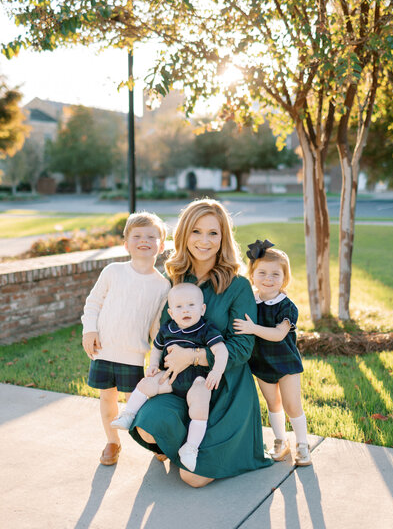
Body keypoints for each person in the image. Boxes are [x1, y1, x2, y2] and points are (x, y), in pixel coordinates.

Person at [128, 199, 273, 487]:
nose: (204, 241)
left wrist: (193, 356)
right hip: (178, 383)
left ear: (223, 238)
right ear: (184, 235)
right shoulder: (175, 279)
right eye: (196, 231)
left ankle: (194, 448)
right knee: (146, 427)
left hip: (224, 387)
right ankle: (180, 442)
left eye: (213, 233)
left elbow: (243, 349)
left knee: (192, 478)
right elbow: (161, 332)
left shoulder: (238, 285)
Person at [81, 212, 170, 466]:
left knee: (137, 403)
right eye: (137, 236)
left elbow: (156, 327)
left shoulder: (162, 286)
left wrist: (157, 357)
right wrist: (89, 330)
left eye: (151, 237)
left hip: (133, 355)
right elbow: (93, 303)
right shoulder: (113, 272)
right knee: (107, 399)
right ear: (126, 243)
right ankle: (112, 442)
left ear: (161, 246)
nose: (144, 240)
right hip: (104, 350)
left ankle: (151, 442)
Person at [111, 283, 229, 473]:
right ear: (171, 313)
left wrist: (216, 372)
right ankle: (128, 414)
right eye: (179, 307)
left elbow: (221, 352)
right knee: (147, 383)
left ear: (202, 309)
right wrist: (153, 365)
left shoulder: (206, 329)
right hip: (171, 379)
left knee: (200, 403)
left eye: (191, 305)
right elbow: (157, 347)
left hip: (196, 380)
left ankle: (190, 448)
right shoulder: (168, 329)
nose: (186, 310)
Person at [233, 239, 311, 466]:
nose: (268, 279)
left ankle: (302, 444)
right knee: (272, 403)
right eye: (262, 273)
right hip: (262, 363)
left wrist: (252, 328)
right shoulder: (251, 302)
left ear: (284, 279)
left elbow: (278, 334)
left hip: (286, 363)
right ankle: (280, 440)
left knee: (291, 404)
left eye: (275, 274)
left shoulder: (286, 306)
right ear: (253, 275)